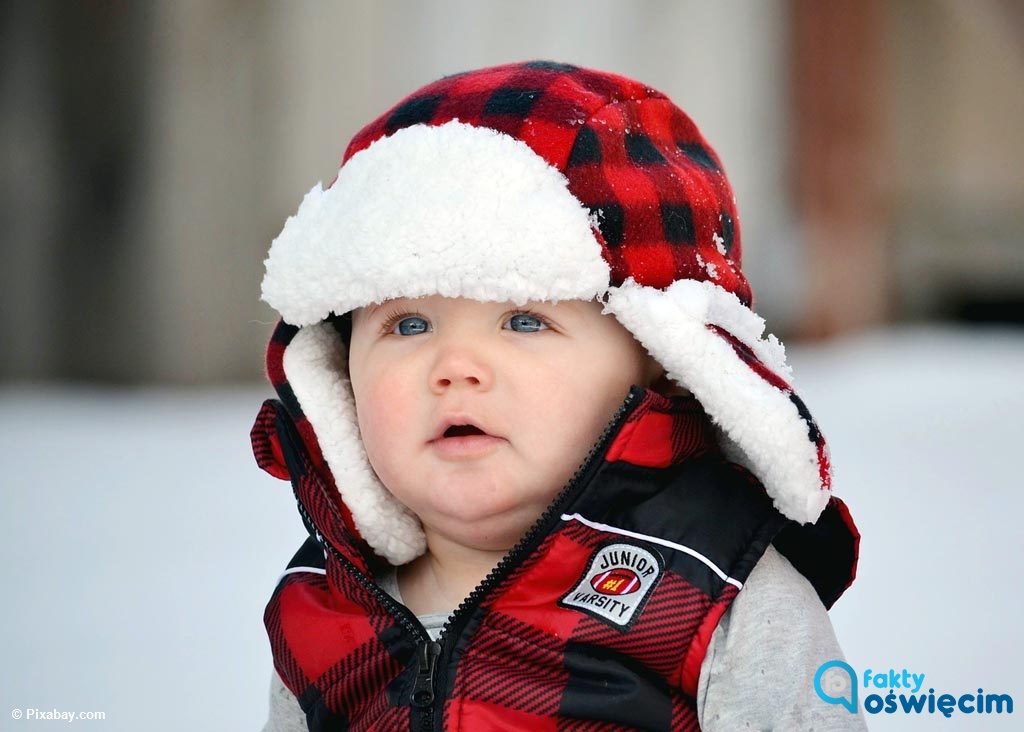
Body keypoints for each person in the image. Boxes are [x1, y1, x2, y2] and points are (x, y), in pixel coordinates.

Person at [251, 60, 865, 731]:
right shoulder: (322, 604)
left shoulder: (715, 597)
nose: (454, 366)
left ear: (656, 361)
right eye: (409, 324)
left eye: (523, 321)